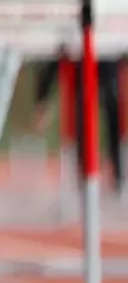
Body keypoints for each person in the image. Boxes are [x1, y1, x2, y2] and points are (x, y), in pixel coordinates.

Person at [31, 53, 124, 195]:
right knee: (84, 106)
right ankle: (86, 174)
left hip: (106, 53)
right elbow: (56, 58)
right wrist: (42, 97)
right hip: (83, 54)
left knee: (110, 105)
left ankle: (118, 174)